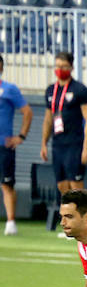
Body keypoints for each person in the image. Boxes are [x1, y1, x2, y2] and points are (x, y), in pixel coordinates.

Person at [40, 51, 87, 200]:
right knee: (62, 185)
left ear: (71, 67)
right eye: (57, 66)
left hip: (75, 144)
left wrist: (86, 147)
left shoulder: (80, 90)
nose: (60, 70)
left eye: (64, 66)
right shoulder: (51, 90)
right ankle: (70, 218)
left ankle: (85, 219)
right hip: (58, 144)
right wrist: (44, 143)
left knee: (76, 185)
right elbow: (48, 119)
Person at [0, 53, 33, 236]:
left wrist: (20, 136)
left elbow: (27, 112)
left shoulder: (9, 89)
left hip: (3, 145)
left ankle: (11, 222)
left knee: (6, 184)